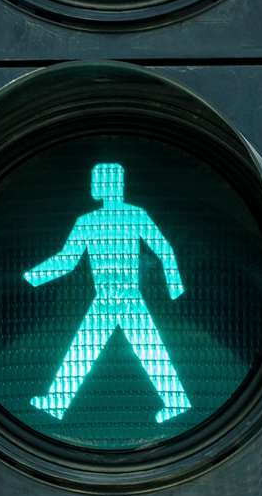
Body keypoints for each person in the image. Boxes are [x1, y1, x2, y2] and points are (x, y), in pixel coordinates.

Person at [24, 162, 192, 425]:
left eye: (97, 180)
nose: (94, 185)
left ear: (105, 185)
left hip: (121, 296)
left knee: (114, 349)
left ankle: (57, 403)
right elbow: (68, 260)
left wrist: (30, 278)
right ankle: (176, 401)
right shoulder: (110, 218)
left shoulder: (98, 220)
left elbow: (164, 249)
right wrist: (31, 277)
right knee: (100, 349)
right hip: (114, 297)